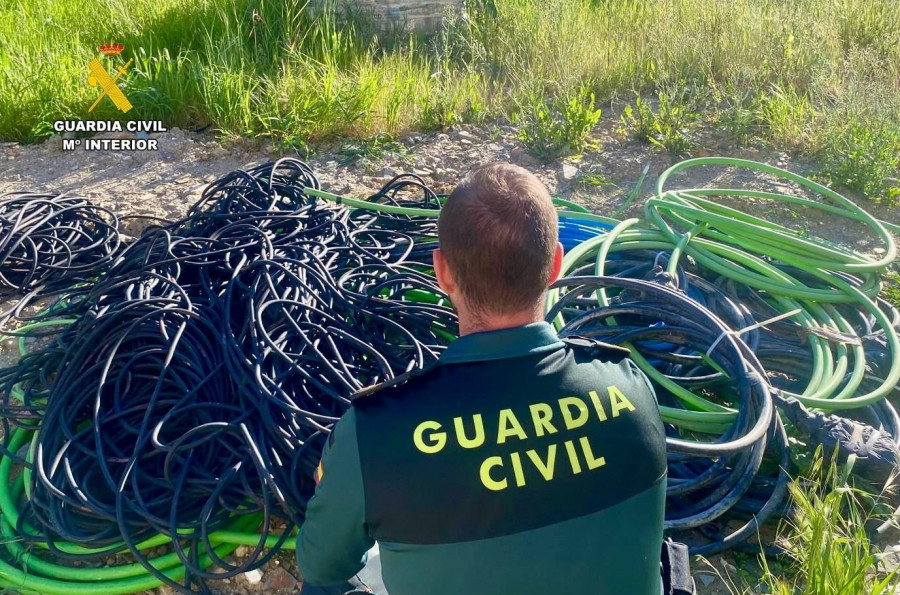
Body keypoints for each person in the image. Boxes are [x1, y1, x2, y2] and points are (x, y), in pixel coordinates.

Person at [297, 163, 668, 595]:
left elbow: (321, 564)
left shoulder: (376, 434)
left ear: (442, 272)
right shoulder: (630, 388)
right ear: (555, 265)